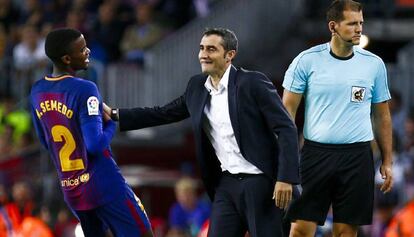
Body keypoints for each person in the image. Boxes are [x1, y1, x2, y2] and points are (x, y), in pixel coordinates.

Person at [105, 27, 300, 237]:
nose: (203, 54)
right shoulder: (196, 87)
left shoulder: (252, 83)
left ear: (229, 55)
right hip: (227, 184)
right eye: (201, 48)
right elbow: (163, 113)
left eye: (211, 49)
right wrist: (116, 114)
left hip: (261, 182)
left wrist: (286, 178)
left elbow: (286, 127)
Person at [282, 1, 393, 237]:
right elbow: (286, 114)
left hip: (357, 157)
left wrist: (387, 160)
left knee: (345, 231)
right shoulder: (306, 60)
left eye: (361, 23)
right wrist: (286, 162)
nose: (359, 29)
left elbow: (382, 116)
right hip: (315, 155)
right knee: (301, 228)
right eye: (352, 23)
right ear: (333, 26)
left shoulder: (374, 64)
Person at [29, 28, 153, 237]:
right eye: (82, 49)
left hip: (72, 190)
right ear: (67, 58)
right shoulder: (85, 89)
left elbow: (44, 141)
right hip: (104, 185)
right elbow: (94, 144)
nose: (88, 51)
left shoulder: (37, 91)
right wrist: (111, 122)